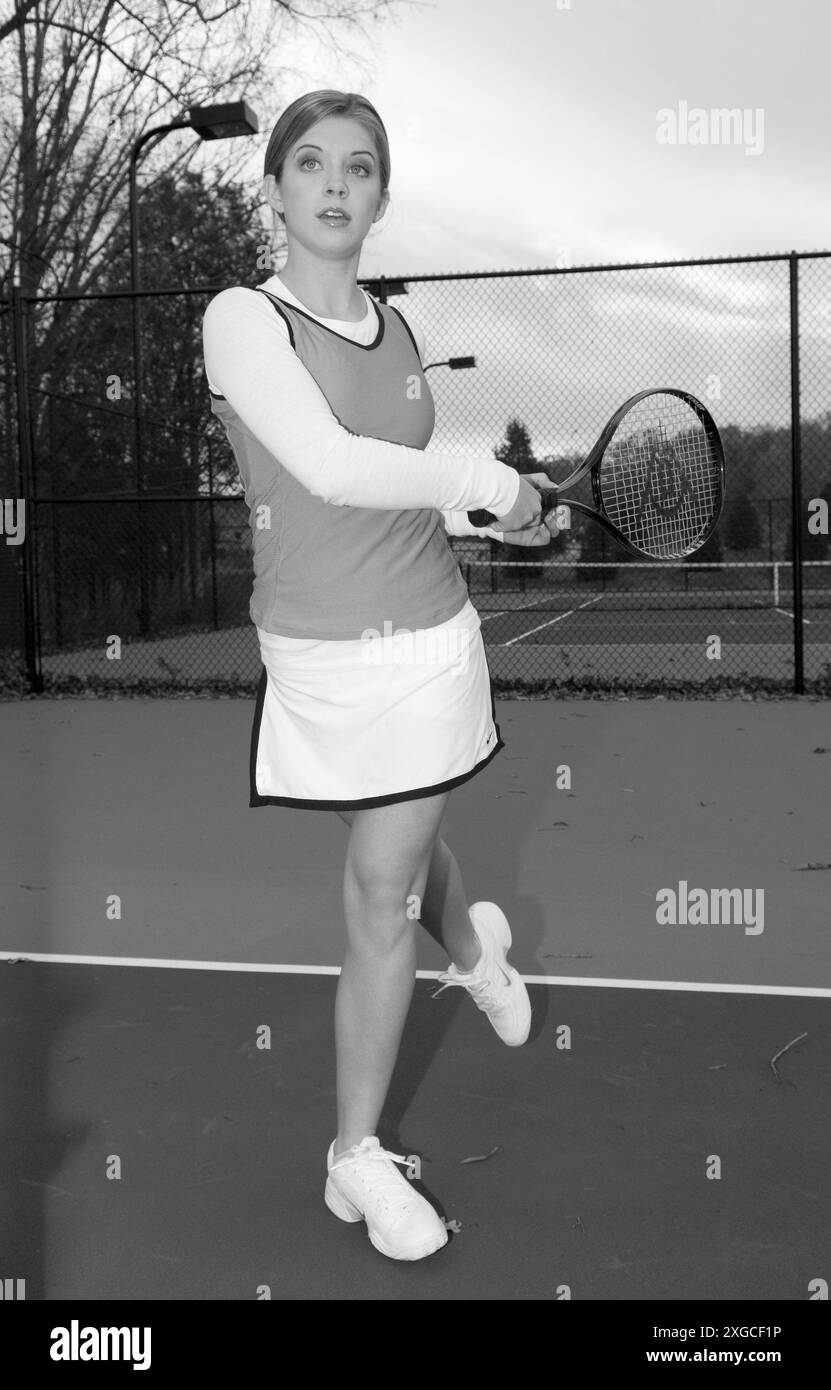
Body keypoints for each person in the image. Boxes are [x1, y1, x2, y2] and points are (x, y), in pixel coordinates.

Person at [202, 89, 558, 1263]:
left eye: (360, 167)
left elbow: (401, 502)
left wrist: (490, 524)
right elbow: (331, 469)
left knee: (377, 884)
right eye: (311, 164)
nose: (336, 184)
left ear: (383, 197)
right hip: (311, 651)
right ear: (276, 192)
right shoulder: (241, 319)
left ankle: (355, 1156)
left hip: (426, 641)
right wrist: (492, 484)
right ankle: (479, 951)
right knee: (400, 848)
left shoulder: (398, 329)